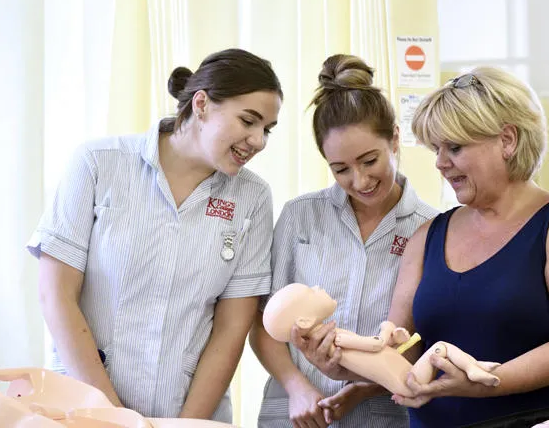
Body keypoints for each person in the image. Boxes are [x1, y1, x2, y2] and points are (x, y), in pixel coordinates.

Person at [26, 48, 283, 422]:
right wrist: (114, 417)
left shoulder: (252, 198)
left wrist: (184, 423)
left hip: (189, 413)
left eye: (267, 130)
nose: (258, 141)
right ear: (201, 104)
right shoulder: (98, 163)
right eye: (248, 121)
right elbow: (56, 295)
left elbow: (231, 329)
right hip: (83, 408)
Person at [385, 67, 549, 427]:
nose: (441, 163)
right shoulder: (427, 234)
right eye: (437, 149)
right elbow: (403, 344)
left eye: (455, 147)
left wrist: (485, 383)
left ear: (507, 140)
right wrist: (351, 358)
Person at [248, 54, 437, 428]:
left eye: (370, 161)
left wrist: (365, 386)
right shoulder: (300, 216)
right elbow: (263, 322)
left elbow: (423, 341)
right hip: (294, 414)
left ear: (395, 139)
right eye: (341, 169)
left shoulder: (431, 228)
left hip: (384, 418)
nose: (360, 180)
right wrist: (297, 387)